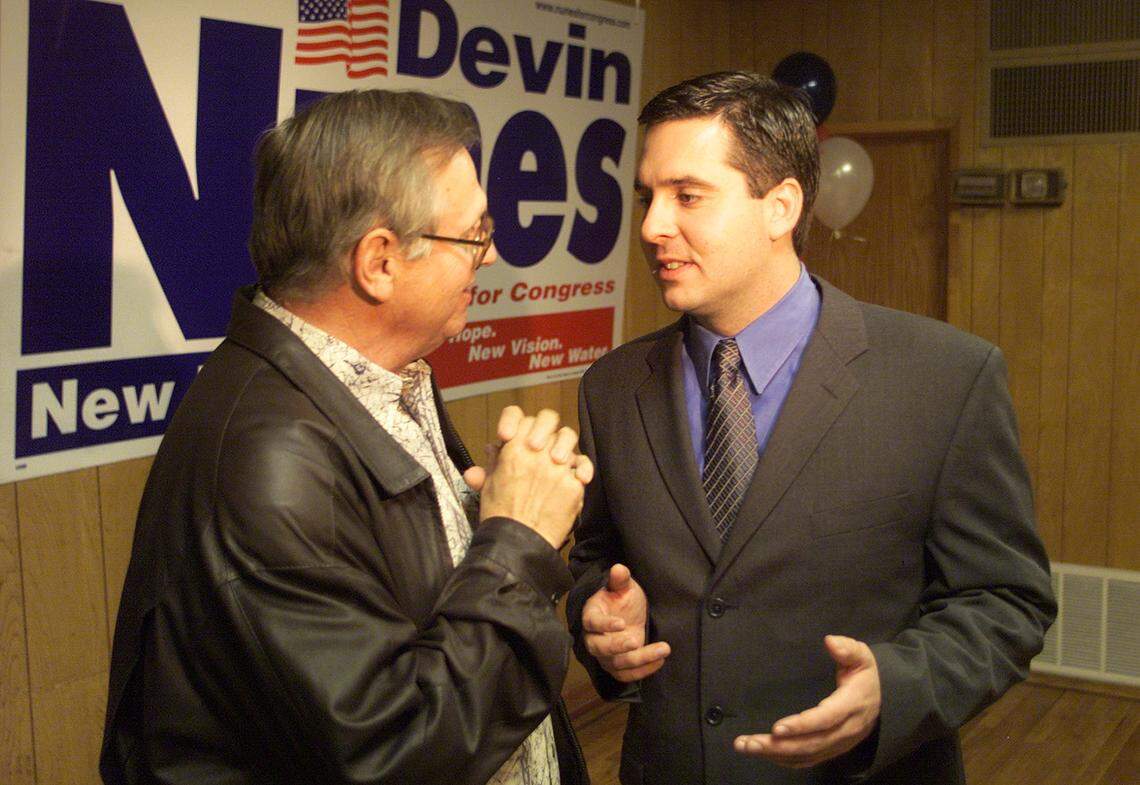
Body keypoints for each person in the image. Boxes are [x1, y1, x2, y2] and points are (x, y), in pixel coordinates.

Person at [566, 71, 1055, 785]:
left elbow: (1006, 601)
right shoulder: (612, 387)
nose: (651, 226)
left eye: (687, 196)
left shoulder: (947, 377)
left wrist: (897, 686)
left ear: (781, 206)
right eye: (648, 197)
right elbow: (598, 555)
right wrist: (599, 620)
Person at [101, 89, 593, 785]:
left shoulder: (373, 377)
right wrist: (518, 540)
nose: (490, 255)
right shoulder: (271, 457)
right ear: (380, 261)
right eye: (474, 233)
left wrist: (481, 522)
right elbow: (400, 750)